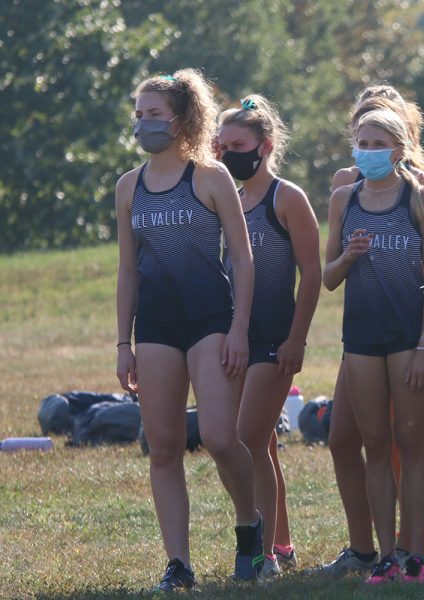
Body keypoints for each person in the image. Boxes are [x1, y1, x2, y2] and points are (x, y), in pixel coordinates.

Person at [115, 69, 261, 591]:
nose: (143, 123)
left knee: (222, 437)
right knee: (163, 447)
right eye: (139, 114)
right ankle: (178, 563)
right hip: (155, 326)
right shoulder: (128, 186)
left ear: (181, 118)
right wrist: (122, 344)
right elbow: (128, 269)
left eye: (153, 114)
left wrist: (240, 327)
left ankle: (250, 528)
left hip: (210, 322)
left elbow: (243, 260)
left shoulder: (210, 177)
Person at [320, 88, 424, 577]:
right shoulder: (343, 198)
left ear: (399, 149)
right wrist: (348, 256)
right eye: (361, 141)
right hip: (360, 337)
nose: (367, 150)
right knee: (374, 443)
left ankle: (416, 553)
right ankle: (384, 557)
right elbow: (328, 278)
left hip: (409, 337)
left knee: (411, 441)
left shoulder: (421, 197)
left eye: (378, 142)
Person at [216, 95, 322, 578]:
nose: (227, 153)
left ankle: (264, 552)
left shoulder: (287, 197)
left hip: (275, 339)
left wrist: (296, 340)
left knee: (247, 438)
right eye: (221, 145)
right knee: (260, 447)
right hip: (234, 339)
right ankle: (279, 543)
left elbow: (312, 273)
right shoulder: (228, 200)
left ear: (265, 145)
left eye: (237, 144)